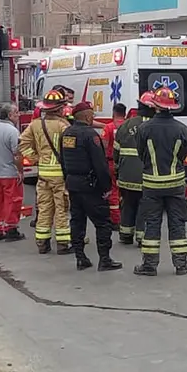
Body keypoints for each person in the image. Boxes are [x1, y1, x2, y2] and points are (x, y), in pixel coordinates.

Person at [135, 86, 187, 276]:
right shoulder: (183, 129)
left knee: (152, 223)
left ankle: (149, 266)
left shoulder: (144, 129)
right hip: (176, 184)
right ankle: (181, 265)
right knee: (177, 223)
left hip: (152, 184)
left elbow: (141, 154)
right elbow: (183, 155)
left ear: (155, 106)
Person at [60, 101, 122, 272]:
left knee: (77, 222)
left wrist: (68, 179)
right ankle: (105, 259)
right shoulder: (91, 136)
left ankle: (80, 258)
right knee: (103, 223)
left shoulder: (66, 134)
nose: (93, 118)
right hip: (91, 186)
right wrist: (106, 187)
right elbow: (100, 165)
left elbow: (62, 161)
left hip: (73, 185)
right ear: (87, 117)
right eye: (92, 115)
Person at [20, 89, 73, 254]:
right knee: (61, 209)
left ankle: (42, 243)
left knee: (44, 208)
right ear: (59, 108)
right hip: (60, 176)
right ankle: (63, 244)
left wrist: (35, 158)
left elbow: (23, 144)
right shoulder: (64, 125)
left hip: (43, 174)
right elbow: (71, 150)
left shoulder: (35, 124)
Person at [114, 92, 155, 245]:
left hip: (126, 175)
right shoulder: (154, 126)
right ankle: (141, 236)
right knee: (144, 205)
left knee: (128, 204)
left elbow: (116, 150)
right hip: (146, 175)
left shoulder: (126, 124)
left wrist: (118, 169)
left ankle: (125, 234)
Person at [0, 104, 25, 242]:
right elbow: (17, 154)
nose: (18, 115)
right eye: (16, 113)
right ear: (9, 115)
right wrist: (20, 171)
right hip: (9, 173)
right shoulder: (12, 131)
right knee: (12, 201)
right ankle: (11, 229)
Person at [101, 103, 127, 227]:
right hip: (127, 163)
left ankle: (115, 220)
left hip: (112, 162)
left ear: (113, 112)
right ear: (125, 113)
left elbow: (104, 146)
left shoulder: (109, 127)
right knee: (126, 190)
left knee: (113, 191)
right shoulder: (128, 126)